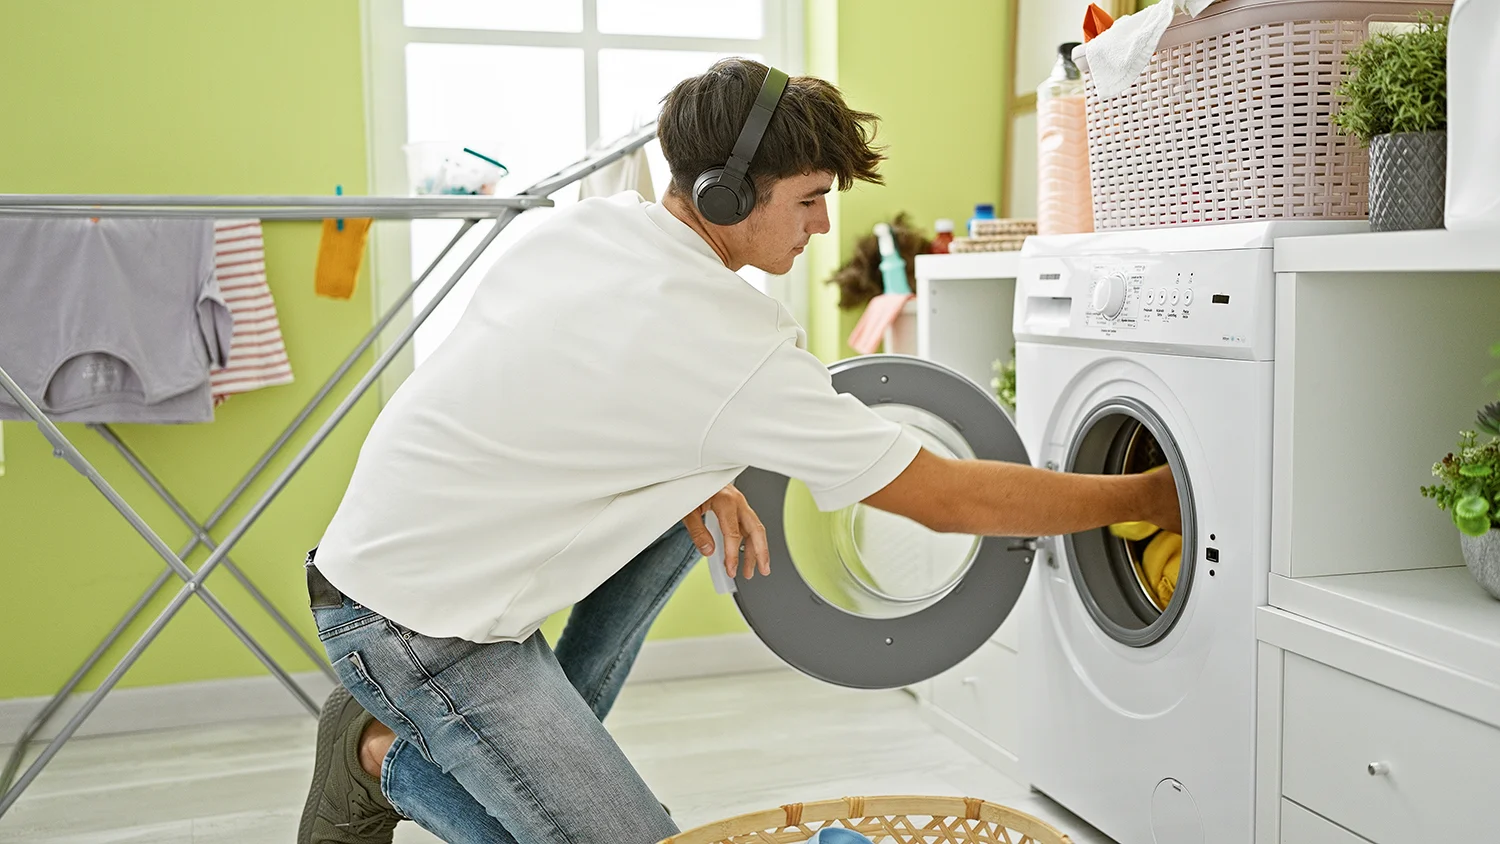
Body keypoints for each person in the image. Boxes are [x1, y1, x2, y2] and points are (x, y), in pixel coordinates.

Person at [297, 58, 1181, 844]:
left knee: (697, 507)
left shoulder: (593, 229)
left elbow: (557, 393)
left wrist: (690, 476)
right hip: (422, 630)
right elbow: (946, 497)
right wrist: (1142, 495)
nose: (824, 227)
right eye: (808, 199)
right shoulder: (729, 342)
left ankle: (507, 741)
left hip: (391, 564)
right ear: (725, 194)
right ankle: (377, 758)